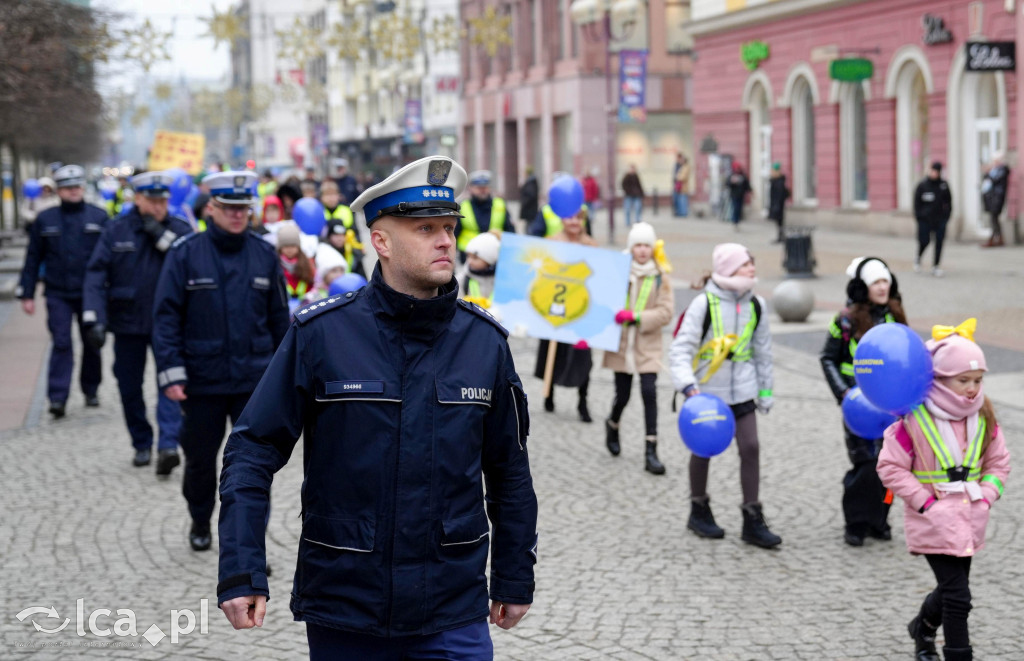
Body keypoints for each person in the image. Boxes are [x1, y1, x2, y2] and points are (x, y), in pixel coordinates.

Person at [215, 156, 538, 658]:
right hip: (348, 606)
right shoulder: (322, 335)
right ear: (381, 242)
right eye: (426, 228)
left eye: (449, 228)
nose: (446, 241)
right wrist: (241, 567)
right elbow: (253, 449)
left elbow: (509, 470)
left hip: (452, 608)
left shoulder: (484, 342)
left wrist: (514, 574)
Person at [152, 170, 290, 551]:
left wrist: (288, 376)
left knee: (253, 467)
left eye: (243, 208)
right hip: (201, 382)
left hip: (253, 382)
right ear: (211, 208)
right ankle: (199, 518)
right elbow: (165, 318)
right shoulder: (185, 254)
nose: (237, 215)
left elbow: (281, 320)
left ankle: (249, 545)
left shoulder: (264, 254)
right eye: (229, 208)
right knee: (198, 461)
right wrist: (171, 373)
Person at [877, 321, 1010, 661]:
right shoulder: (914, 420)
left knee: (952, 591)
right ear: (938, 379)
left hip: (969, 517)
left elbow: (999, 463)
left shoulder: (983, 417)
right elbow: (889, 467)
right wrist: (925, 503)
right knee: (959, 597)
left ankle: (921, 628)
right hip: (933, 519)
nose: (971, 388)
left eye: (977, 380)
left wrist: (988, 495)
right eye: (963, 380)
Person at [668, 243, 781, 548]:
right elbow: (681, 349)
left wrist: (766, 392)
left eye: (752, 263)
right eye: (746, 264)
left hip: (742, 390)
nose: (752, 268)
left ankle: (752, 518)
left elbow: (763, 352)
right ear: (730, 268)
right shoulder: (704, 303)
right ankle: (698, 509)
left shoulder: (757, 304)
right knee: (703, 449)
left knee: (751, 447)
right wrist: (689, 388)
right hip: (707, 394)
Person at [82, 171, 192, 471]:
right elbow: (95, 274)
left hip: (169, 324)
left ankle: (168, 445)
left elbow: (191, 263)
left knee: (170, 384)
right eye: (152, 200)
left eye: (163, 200)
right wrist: (95, 319)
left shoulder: (179, 228)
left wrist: (159, 233)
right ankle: (141, 442)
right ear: (138, 198)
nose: (159, 206)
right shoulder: (116, 230)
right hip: (127, 321)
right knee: (129, 386)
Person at [820, 257, 906, 546]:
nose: (883, 287)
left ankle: (879, 519)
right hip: (858, 408)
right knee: (865, 464)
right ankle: (856, 523)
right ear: (862, 288)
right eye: (876, 282)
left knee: (891, 467)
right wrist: (844, 394)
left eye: (885, 281)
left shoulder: (895, 315)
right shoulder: (845, 319)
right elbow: (828, 358)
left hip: (891, 409)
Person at [16, 165, 106, 419]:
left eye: (77, 186)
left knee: (92, 342)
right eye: (67, 187)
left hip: (91, 294)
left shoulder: (99, 217)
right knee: (62, 343)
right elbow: (33, 257)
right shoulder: (46, 219)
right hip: (57, 292)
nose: (73, 191)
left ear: (83, 188)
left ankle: (91, 389)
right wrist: (27, 293)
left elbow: (111, 261)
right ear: (59, 190)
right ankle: (57, 397)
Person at [604, 222, 674, 475]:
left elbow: (666, 312)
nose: (643, 250)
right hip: (622, 346)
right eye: (638, 245)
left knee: (649, 392)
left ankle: (651, 450)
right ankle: (612, 424)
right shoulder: (619, 271)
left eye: (647, 245)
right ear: (631, 247)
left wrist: (636, 317)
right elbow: (602, 300)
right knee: (622, 395)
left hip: (647, 346)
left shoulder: (659, 275)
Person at [533, 208, 597, 422]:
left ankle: (583, 401)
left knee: (583, 357)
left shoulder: (591, 246)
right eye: (570, 216)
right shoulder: (551, 242)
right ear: (563, 219)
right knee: (554, 352)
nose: (574, 221)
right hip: (556, 308)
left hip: (580, 311)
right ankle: (549, 392)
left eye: (579, 218)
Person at [457, 170, 515, 262]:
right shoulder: (462, 207)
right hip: (469, 256)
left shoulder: (500, 204)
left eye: (485, 187)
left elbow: (510, 231)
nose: (482, 190)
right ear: (470, 188)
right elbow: (455, 233)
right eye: (479, 187)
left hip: (495, 255)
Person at [914, 162, 953, 276]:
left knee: (939, 242)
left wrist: (946, 217)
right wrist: (919, 216)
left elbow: (949, 202)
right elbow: (917, 203)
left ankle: (936, 265)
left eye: (936, 171)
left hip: (940, 220)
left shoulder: (944, 185)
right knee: (924, 241)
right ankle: (918, 258)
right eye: (932, 170)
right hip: (925, 220)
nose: (934, 173)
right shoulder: (923, 185)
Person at [320, 180, 364, 276]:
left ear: (338, 196)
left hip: (347, 250)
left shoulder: (346, 211)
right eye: (327, 195)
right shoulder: (320, 213)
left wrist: (359, 247)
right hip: (327, 251)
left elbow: (355, 231)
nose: (331, 198)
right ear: (322, 197)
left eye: (333, 195)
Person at [276, 223, 316, 311]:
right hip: (282, 307)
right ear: (280, 248)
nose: (289, 249)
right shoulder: (275, 264)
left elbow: (314, 284)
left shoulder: (307, 263)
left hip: (306, 307)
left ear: (298, 246)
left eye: (293, 246)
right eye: (286, 246)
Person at [457, 230, 500, 307]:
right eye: (468, 256)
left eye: (475, 257)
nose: (469, 261)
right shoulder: (461, 279)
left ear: (490, 260)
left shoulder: (502, 281)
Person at [980, 153, 1008, 248]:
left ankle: (993, 239)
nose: (994, 163)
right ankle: (999, 238)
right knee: (994, 219)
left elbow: (995, 180)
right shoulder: (995, 170)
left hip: (998, 197)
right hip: (992, 197)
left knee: (994, 218)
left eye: (996, 161)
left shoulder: (1003, 170)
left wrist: (988, 172)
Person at [767, 163, 790, 243]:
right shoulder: (775, 181)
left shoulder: (779, 182)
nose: (771, 173)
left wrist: (776, 205)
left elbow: (780, 194)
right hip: (776, 204)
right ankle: (780, 236)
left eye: (773, 171)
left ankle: (781, 236)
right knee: (778, 222)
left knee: (780, 221)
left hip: (778, 205)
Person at [726, 162, 752, 227]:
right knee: (735, 207)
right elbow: (727, 184)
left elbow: (746, 184)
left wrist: (750, 191)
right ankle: (734, 220)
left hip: (741, 194)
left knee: (739, 208)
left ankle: (737, 219)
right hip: (734, 195)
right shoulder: (732, 175)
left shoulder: (743, 175)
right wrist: (732, 182)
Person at [673, 154, 690, 218]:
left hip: (683, 187)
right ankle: (681, 212)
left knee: (683, 200)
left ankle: (683, 213)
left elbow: (683, 177)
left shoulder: (686, 167)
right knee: (680, 200)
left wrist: (677, 177)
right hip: (681, 187)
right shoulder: (682, 167)